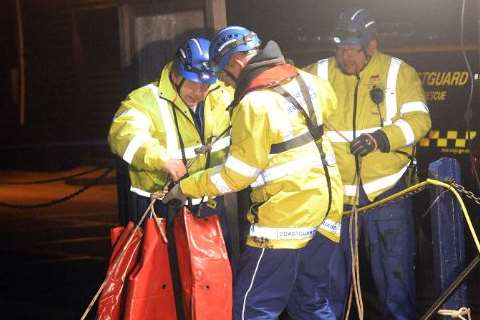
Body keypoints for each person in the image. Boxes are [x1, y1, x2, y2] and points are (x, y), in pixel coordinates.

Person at [163, 25, 344, 320]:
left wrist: (184, 188)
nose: (226, 81)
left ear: (234, 62)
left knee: (251, 309)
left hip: (284, 220)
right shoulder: (309, 81)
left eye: (224, 73)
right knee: (310, 303)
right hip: (328, 211)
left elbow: (237, 175)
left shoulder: (254, 103)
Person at [304, 8, 431, 319]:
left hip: (385, 194)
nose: (346, 57)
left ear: (371, 46)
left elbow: (419, 120)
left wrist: (381, 139)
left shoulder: (399, 73)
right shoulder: (317, 74)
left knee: (394, 277)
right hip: (333, 199)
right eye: (340, 49)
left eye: (353, 50)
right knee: (328, 281)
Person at [108, 37, 233, 246]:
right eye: (194, 84)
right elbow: (122, 134)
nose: (199, 93)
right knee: (166, 275)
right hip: (161, 209)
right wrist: (161, 160)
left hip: (210, 207)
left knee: (214, 275)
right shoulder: (145, 100)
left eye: (205, 85)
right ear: (177, 75)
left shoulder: (221, 95)